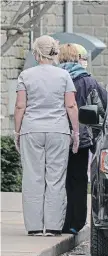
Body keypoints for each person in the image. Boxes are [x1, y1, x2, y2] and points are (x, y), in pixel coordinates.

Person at [14, 35, 79, 237]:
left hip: (31, 129)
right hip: (58, 130)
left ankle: (34, 227)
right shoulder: (63, 76)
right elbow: (70, 105)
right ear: (54, 52)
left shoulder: (26, 75)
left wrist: (17, 131)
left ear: (36, 53)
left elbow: (20, 105)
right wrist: (75, 132)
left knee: (33, 177)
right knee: (56, 178)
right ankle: (53, 226)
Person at [58, 43, 108, 235]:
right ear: (78, 58)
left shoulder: (56, 78)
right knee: (78, 180)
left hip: (57, 135)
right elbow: (105, 105)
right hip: (82, 138)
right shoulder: (88, 81)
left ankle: (59, 219)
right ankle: (75, 222)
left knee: (58, 180)